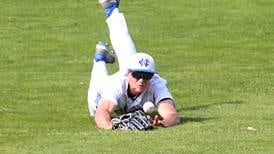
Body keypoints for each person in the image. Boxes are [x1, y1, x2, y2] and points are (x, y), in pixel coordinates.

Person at [87, 0, 180, 129]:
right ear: (129, 73)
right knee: (93, 107)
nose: (141, 80)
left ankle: (112, 9)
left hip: (128, 78)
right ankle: (100, 58)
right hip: (103, 88)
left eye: (146, 76)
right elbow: (101, 113)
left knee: (130, 56)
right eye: (137, 75)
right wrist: (112, 127)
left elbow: (172, 114)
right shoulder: (117, 84)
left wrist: (164, 123)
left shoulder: (156, 83)